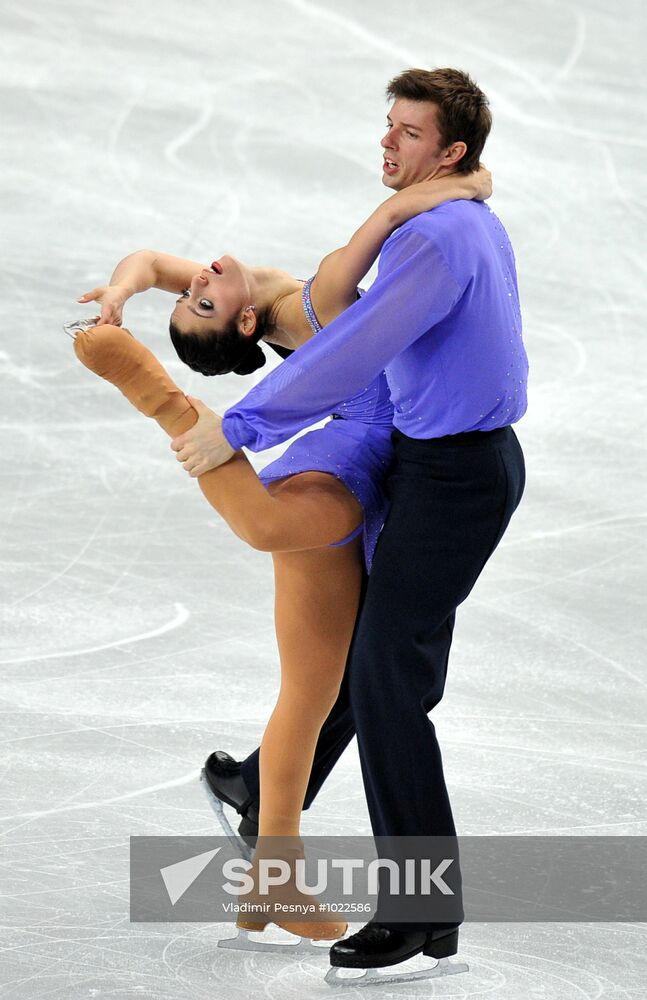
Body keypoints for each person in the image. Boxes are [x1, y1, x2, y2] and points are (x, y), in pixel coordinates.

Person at [167, 66, 529, 978]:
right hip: (430, 462)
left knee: (385, 681)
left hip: (454, 478)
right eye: (388, 126)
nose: (386, 143)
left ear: (449, 152)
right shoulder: (436, 221)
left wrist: (237, 428)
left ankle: (418, 907)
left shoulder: (437, 240)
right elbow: (334, 294)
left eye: (408, 134)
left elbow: (350, 347)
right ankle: (267, 792)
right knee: (377, 666)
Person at [74, 164, 490, 943]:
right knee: (265, 528)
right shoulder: (296, 308)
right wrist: (416, 198)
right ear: (239, 328)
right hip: (356, 457)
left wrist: (120, 293)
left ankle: (272, 877)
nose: (197, 279)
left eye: (193, 291)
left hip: (364, 458)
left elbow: (153, 261)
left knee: (311, 689)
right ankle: (168, 406)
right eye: (201, 298)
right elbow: (353, 263)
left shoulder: (237, 286)